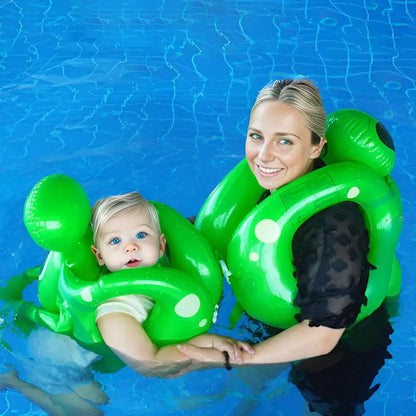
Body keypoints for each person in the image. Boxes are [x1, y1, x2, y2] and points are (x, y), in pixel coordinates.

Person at [178, 78, 373, 366]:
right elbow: (217, 229)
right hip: (268, 315)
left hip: (337, 349)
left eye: (285, 141)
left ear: (316, 147)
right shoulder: (270, 184)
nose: (264, 155)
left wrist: (229, 359)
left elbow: (324, 335)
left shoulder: (334, 224)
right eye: (256, 136)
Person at [90, 191, 253, 377]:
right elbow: (151, 364)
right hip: (80, 366)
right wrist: (215, 350)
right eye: (115, 240)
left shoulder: (163, 269)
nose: (131, 246)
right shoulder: (114, 312)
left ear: (161, 246)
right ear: (100, 256)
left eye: (141, 234)